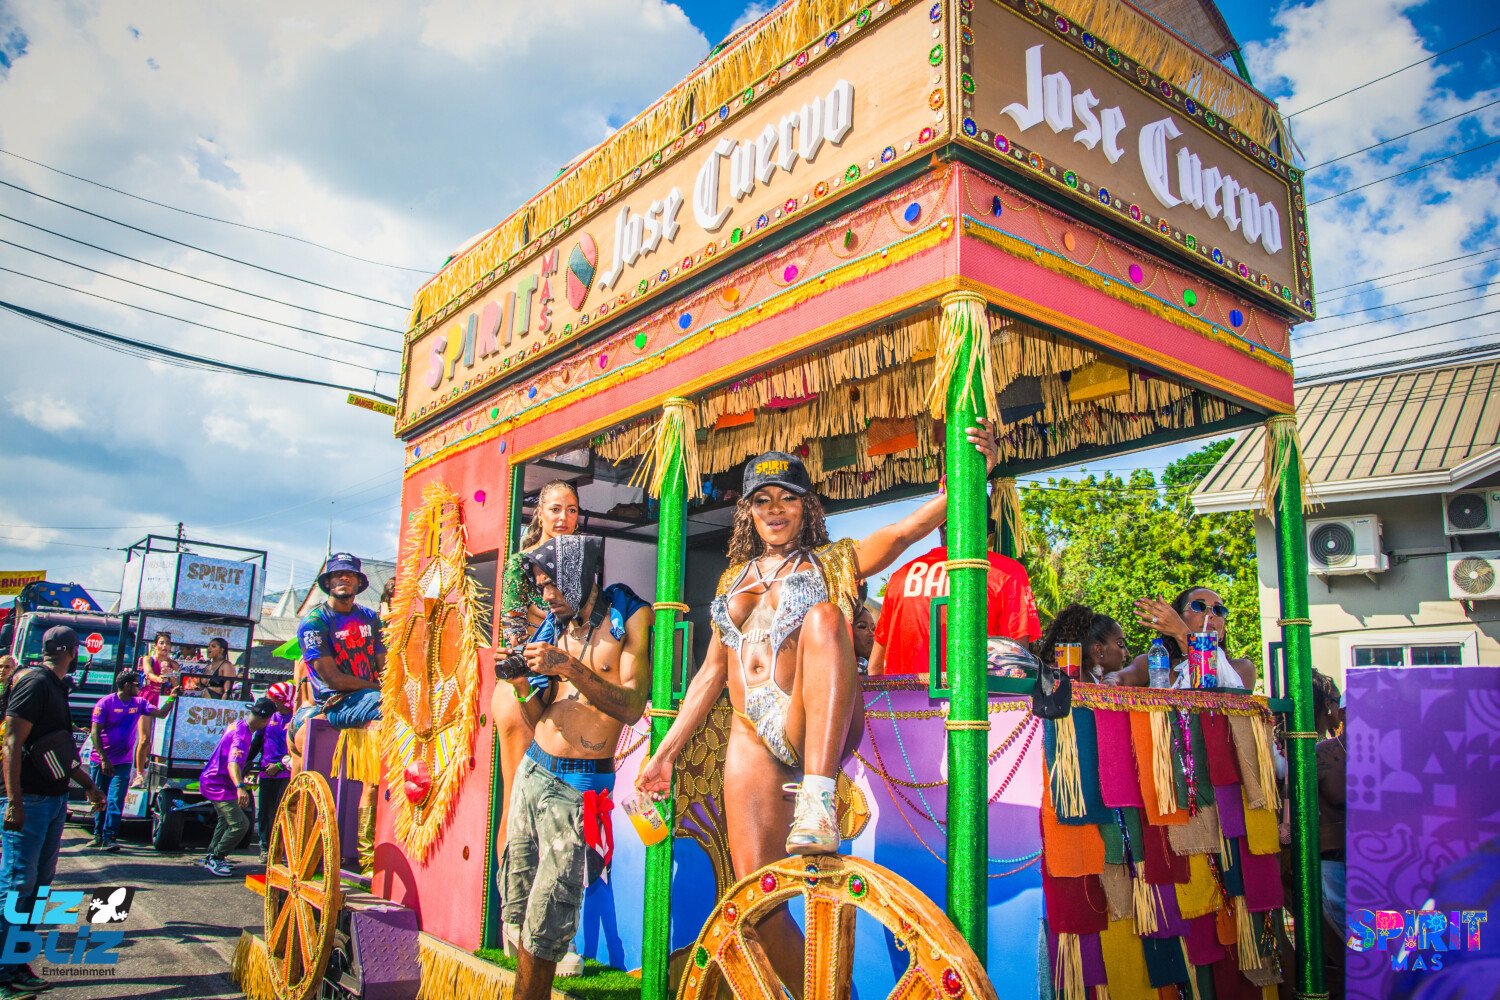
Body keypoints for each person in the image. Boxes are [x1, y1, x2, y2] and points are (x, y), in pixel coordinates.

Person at [638, 431, 997, 984]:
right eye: (763, 499)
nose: (775, 509)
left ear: (807, 508)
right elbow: (710, 673)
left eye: (788, 497)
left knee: (826, 617)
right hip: (750, 734)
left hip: (811, 722)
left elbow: (903, 532)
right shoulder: (732, 578)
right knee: (756, 904)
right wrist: (665, 752)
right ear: (748, 512)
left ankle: (818, 795)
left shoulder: (834, 561)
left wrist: (968, 481)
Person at [498, 533, 651, 1000]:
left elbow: (632, 706)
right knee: (518, 905)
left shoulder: (630, 615)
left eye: (553, 584)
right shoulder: (553, 628)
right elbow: (538, 716)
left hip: (577, 787)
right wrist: (522, 684)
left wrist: (569, 667)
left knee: (549, 917)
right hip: (533, 772)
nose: (546, 596)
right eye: (541, 586)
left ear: (580, 575)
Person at [1, 627, 107, 998]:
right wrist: (14, 801)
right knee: (18, 884)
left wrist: (88, 785)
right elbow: (11, 743)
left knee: (37, 887)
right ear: (73, 652)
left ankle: (16, 964)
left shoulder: (56, 686)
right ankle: (3, 974)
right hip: (29, 800)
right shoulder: (36, 683)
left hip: (52, 799)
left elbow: (58, 750)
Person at [492, 480, 580, 863]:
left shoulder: (577, 564)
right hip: (522, 688)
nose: (564, 518)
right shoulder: (521, 564)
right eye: (556, 509)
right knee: (518, 800)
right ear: (540, 513)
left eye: (572, 510)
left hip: (558, 691)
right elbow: (513, 637)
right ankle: (509, 895)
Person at [295, 553, 385, 872]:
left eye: (349, 575)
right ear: (328, 583)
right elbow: (332, 679)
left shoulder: (370, 618)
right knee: (387, 706)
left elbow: (383, 664)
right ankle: (366, 855)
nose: (343, 579)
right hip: (337, 702)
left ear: (359, 583)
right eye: (337, 575)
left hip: (371, 695)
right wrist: (378, 688)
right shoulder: (315, 622)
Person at [866, 520, 1041, 676]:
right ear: (986, 533)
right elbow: (1018, 664)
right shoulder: (1007, 572)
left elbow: (874, 668)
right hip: (978, 700)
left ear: (940, 529)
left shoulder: (900, 577)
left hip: (905, 700)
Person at [88, 669, 177, 850]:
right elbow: (95, 733)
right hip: (101, 760)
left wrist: (171, 698)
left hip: (123, 761)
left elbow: (161, 713)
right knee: (100, 798)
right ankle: (97, 834)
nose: (140, 687)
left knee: (116, 799)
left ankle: (110, 837)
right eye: (138, 684)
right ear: (127, 685)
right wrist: (104, 759)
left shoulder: (139, 703)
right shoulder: (105, 703)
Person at [1111, 586, 1257, 689]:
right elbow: (1120, 679)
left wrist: (1182, 633)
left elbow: (1208, 683)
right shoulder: (1153, 662)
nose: (1210, 614)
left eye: (1219, 610)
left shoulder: (1241, 668)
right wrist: (1111, 680)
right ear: (1178, 617)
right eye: (1198, 606)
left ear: (1222, 632)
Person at [199, 697, 277, 877]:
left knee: (225, 820)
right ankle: (216, 857)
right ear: (265, 720)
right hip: (217, 783)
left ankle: (212, 855)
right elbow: (233, 763)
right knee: (240, 824)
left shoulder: (239, 724)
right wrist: (240, 786)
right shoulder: (242, 735)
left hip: (219, 781)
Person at [251, 682, 295, 864]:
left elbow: (297, 750)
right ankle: (265, 847)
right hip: (266, 771)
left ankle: (282, 849)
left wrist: (279, 765)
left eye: (272, 699)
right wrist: (246, 762)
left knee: (282, 811)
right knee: (265, 812)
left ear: (282, 700)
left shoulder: (295, 718)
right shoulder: (269, 717)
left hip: (286, 772)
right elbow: (258, 740)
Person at [1035, 604, 1130, 683]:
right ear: (1099, 650)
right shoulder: (1060, 675)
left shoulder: (1097, 680)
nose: (1127, 653)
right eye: (1120, 643)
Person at [132, 631, 178, 782]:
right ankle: (139, 774)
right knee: (145, 739)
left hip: (165, 699)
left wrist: (170, 675)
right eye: (162, 643)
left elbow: (177, 685)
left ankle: (159, 777)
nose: (165, 646)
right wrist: (159, 678)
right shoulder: (148, 659)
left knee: (162, 740)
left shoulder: (174, 664)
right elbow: (149, 674)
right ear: (155, 645)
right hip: (148, 697)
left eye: (168, 643)